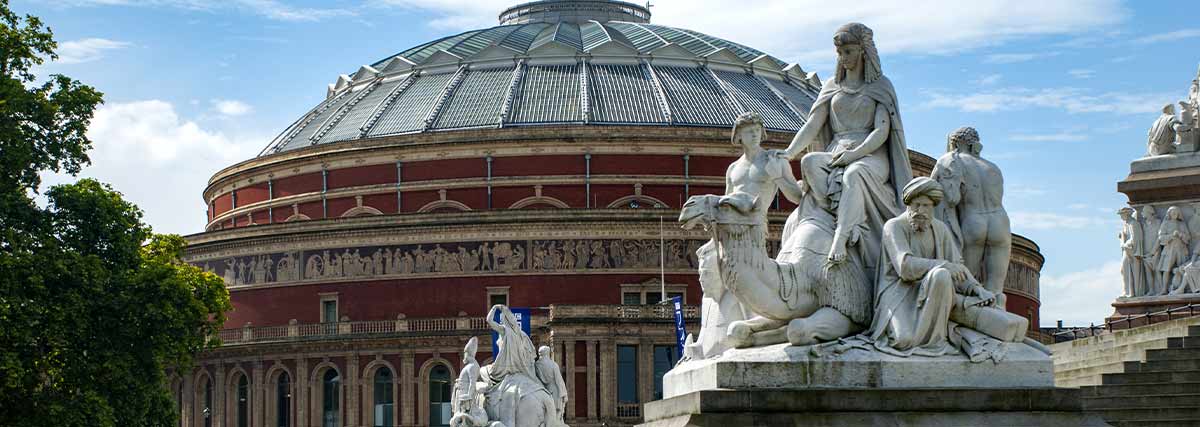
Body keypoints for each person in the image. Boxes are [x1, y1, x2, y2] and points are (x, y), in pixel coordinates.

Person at [778, 22, 911, 278]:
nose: (843, 57)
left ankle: (842, 235)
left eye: (848, 51)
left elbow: (882, 131)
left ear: (863, 51)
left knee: (854, 174)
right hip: (837, 148)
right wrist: (790, 152)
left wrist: (854, 154)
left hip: (871, 155)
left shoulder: (880, 86)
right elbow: (813, 124)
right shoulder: (832, 85)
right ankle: (829, 216)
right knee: (810, 163)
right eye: (839, 53)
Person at [861, 178, 1028, 362]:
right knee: (902, 340)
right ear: (908, 204)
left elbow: (957, 267)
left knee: (941, 275)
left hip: (934, 292)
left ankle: (936, 337)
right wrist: (943, 265)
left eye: (926, 206)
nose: (920, 211)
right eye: (916, 205)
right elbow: (905, 267)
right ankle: (935, 337)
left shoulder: (940, 229)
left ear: (933, 207)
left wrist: (976, 289)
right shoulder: (894, 226)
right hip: (899, 294)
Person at [932, 127, 1011, 306]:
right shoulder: (993, 167)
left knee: (966, 283)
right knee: (996, 290)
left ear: (954, 143)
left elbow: (951, 198)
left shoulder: (951, 160)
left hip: (974, 221)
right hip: (1000, 222)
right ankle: (997, 316)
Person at [1156, 206, 1190, 295]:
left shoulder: (1182, 224)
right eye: (1172, 212)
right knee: (1166, 269)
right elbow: (1160, 237)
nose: (1174, 214)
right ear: (1169, 213)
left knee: (1183, 268)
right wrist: (1171, 236)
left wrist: (1181, 235)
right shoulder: (1165, 224)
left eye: (1176, 212)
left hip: (1181, 249)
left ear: (1178, 214)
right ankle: (1164, 289)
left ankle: (1184, 288)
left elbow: (1188, 237)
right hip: (1169, 249)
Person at [534, 346, 567, 422]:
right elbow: (559, 380)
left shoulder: (536, 365)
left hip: (542, 390)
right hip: (554, 390)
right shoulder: (553, 365)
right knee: (556, 413)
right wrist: (564, 394)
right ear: (548, 353)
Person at [1118, 207, 1146, 297]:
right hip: (1127, 250)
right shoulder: (1126, 224)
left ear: (1126, 214)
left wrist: (1125, 244)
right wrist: (1122, 236)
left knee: (1132, 271)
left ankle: (1133, 293)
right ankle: (1127, 291)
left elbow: (1135, 238)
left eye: (1122, 214)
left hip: (1132, 251)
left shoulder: (1134, 223)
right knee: (1124, 270)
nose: (1121, 216)